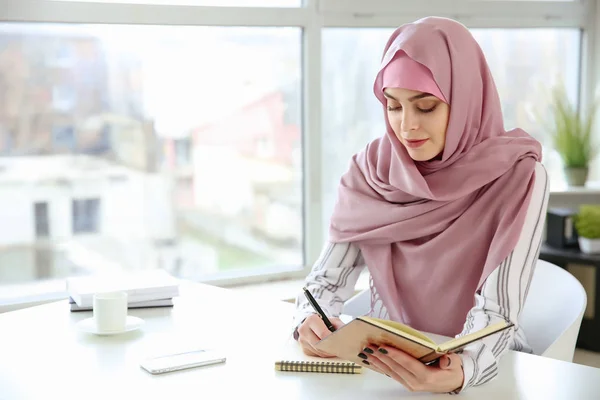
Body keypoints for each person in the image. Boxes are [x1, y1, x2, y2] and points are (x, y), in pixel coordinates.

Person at [293, 16, 549, 394]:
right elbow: (325, 283)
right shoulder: (371, 171)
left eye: (425, 107)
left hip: (481, 371)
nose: (406, 126)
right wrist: (308, 319)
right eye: (393, 106)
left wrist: (462, 369)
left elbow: (498, 312)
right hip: (385, 366)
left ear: (465, 100)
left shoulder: (519, 176)